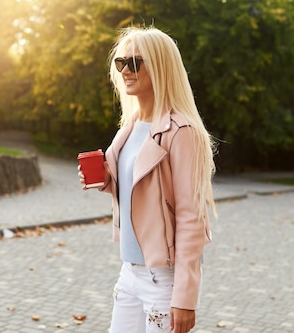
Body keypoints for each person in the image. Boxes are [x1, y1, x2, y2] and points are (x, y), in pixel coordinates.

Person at [78, 26, 217, 333]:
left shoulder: (182, 132)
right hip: (129, 273)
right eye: (121, 62)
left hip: (162, 280)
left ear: (161, 67)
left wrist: (185, 297)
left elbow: (191, 218)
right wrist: (106, 180)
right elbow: (139, 190)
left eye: (136, 62)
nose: (126, 70)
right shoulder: (130, 125)